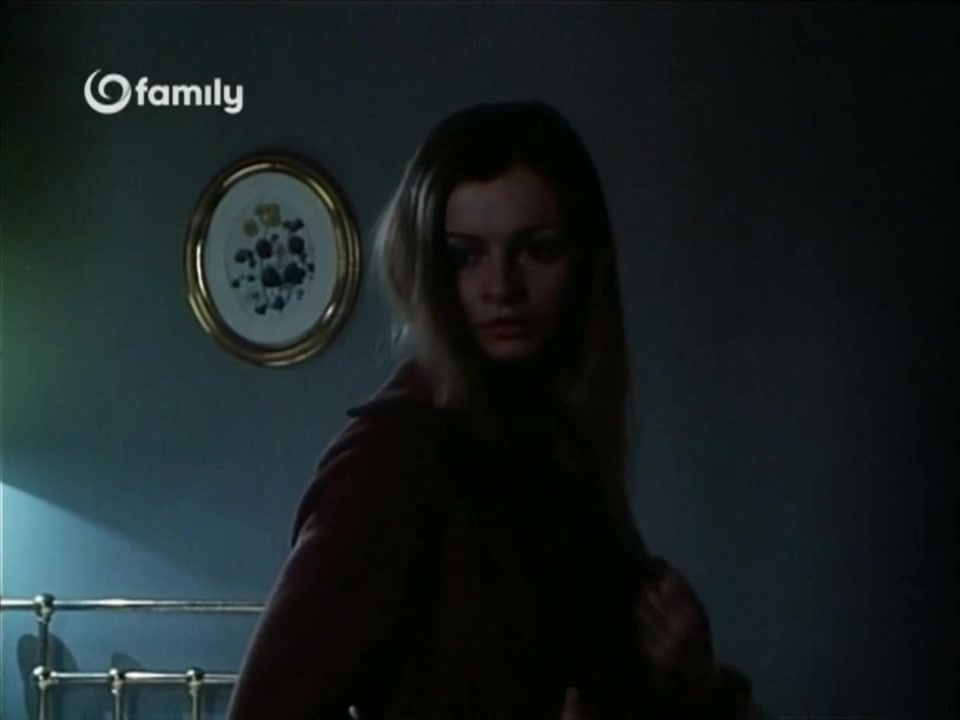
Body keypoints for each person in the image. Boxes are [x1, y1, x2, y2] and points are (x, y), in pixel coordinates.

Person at [226, 101, 754, 719]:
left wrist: (693, 682)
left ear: (586, 263)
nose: (501, 287)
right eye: (465, 256)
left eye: (539, 249)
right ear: (427, 265)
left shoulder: (556, 444)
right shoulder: (394, 460)